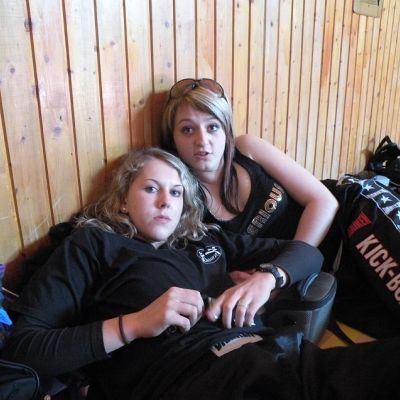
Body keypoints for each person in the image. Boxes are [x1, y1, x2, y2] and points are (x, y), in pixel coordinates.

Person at [2, 148, 399, 400]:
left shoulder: (205, 238)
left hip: (283, 358)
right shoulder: (93, 245)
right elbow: (23, 349)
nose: (166, 202)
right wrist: (134, 325)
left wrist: (268, 278)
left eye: (176, 192)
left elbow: (307, 254)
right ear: (122, 201)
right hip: (196, 380)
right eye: (151, 189)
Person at [160, 78, 340, 273]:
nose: (202, 140)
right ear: (173, 139)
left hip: (337, 241)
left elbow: (324, 201)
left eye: (212, 127)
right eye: (187, 130)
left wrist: (287, 267)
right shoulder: (181, 197)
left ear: (226, 131)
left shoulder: (247, 149)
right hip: (290, 282)